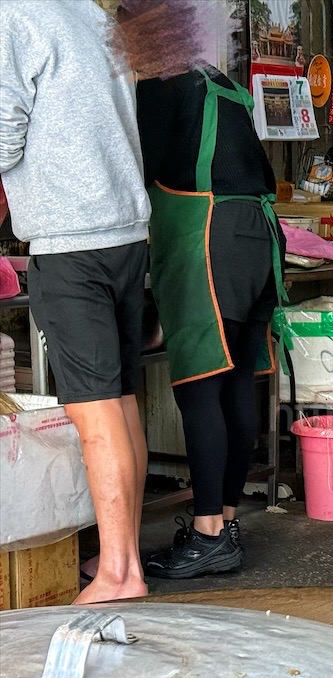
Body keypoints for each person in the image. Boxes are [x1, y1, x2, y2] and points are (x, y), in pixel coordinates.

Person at [0, 1, 152, 603]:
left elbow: (3, 132)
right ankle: (126, 558)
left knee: (93, 412)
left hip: (72, 240)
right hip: (124, 234)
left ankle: (120, 574)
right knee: (119, 400)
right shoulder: (92, 13)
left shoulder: (14, 14)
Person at [133, 57, 287, 579]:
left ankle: (207, 535)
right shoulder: (221, 81)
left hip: (208, 234)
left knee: (200, 387)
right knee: (236, 383)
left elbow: (141, 169)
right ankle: (223, 521)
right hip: (259, 237)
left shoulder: (160, 81)